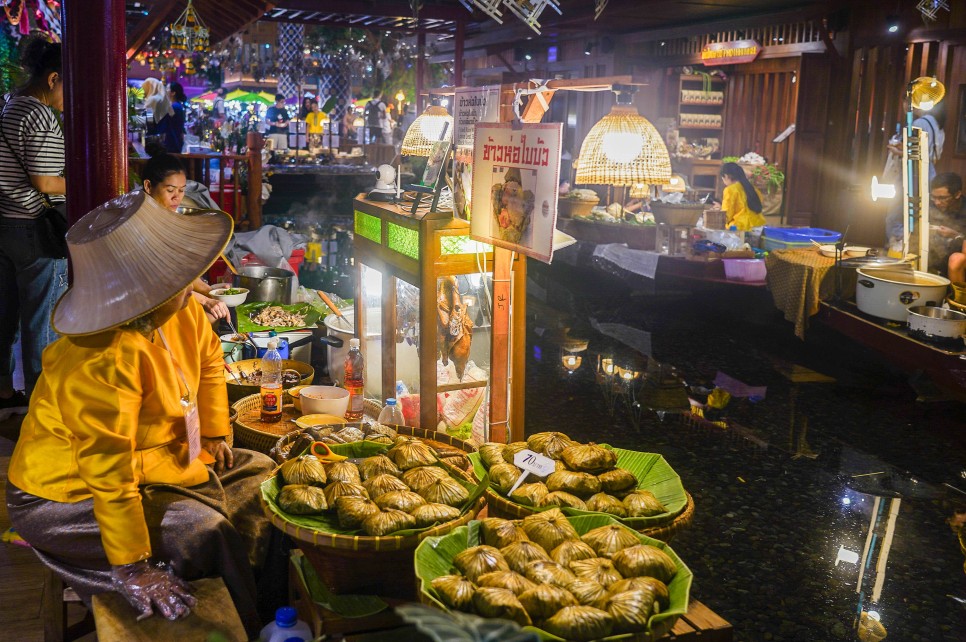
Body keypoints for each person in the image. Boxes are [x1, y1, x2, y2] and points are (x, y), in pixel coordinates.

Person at [5, 191, 275, 636]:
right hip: (66, 493)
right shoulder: (100, 359)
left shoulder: (183, 310)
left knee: (264, 476)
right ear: (147, 289)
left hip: (154, 461)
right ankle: (243, 624)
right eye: (181, 273)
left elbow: (209, 363)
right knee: (201, 530)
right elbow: (107, 472)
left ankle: (267, 610)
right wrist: (132, 564)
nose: (195, 281)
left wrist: (213, 433)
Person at [0, 37, 67, 409]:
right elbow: (45, 181)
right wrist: (81, 182)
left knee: (6, 317)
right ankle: (42, 409)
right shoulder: (39, 114)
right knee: (42, 324)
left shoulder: (9, 103)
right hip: (36, 229)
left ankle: (5, 392)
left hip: (7, 224)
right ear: (53, 78)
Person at [140, 152, 229, 323]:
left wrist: (211, 292)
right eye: (170, 190)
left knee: (217, 314)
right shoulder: (143, 225)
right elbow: (164, 285)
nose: (177, 197)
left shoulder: (167, 219)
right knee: (209, 318)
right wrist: (206, 300)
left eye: (181, 191)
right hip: (154, 306)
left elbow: (182, 273)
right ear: (148, 186)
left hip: (178, 295)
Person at [926, 172, 965, 280]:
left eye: (942, 198)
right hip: (939, 259)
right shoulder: (931, 206)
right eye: (934, 197)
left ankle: (957, 296)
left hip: (958, 260)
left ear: (957, 194)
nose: (937, 202)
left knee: (956, 259)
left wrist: (956, 235)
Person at [718, 162, 765, 231]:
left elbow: (727, 214)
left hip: (741, 227)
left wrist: (719, 211)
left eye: (722, 178)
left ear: (726, 176)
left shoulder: (729, 189)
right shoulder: (751, 187)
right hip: (758, 224)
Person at [157, 81, 187, 153]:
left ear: (173, 93)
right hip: (173, 142)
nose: (165, 90)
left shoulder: (174, 107)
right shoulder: (176, 106)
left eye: (167, 89)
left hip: (172, 143)